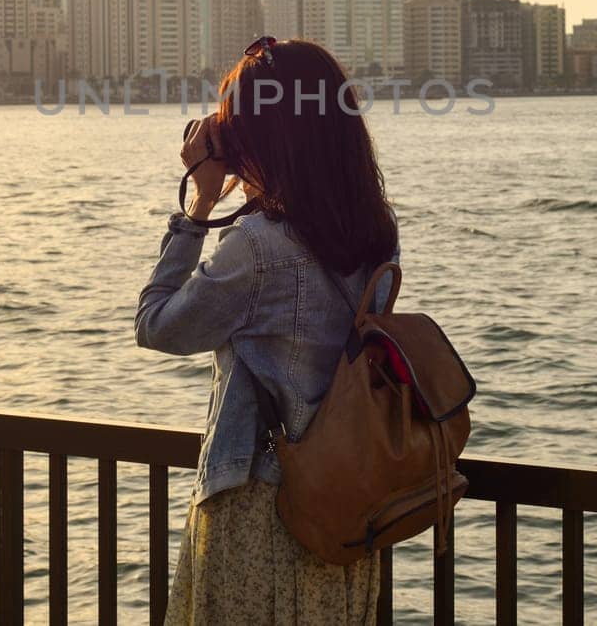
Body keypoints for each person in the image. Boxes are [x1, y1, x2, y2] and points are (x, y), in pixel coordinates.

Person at [135, 38, 399, 625]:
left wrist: (201, 203)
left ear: (263, 138)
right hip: (345, 508)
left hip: (262, 515)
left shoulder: (258, 247)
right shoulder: (379, 232)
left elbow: (157, 325)